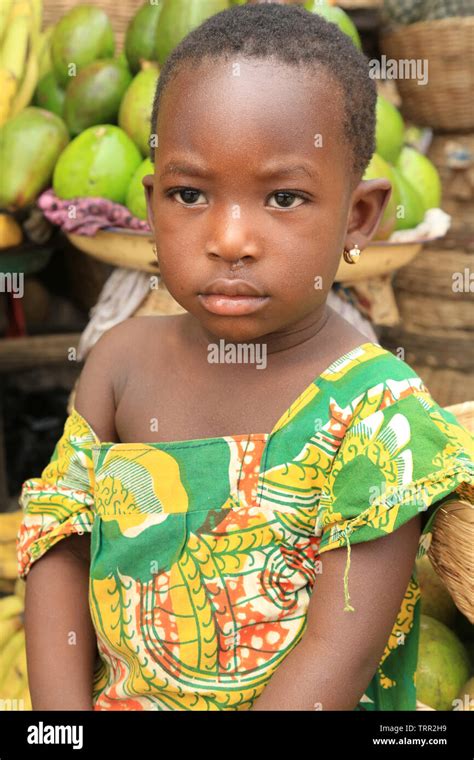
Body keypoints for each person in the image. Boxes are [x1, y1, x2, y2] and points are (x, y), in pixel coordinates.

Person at [17, 4, 473, 711]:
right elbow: (58, 543)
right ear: (150, 206)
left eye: (284, 197)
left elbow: (337, 656)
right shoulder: (118, 364)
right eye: (190, 194)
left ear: (358, 218)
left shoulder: (379, 412)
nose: (230, 238)